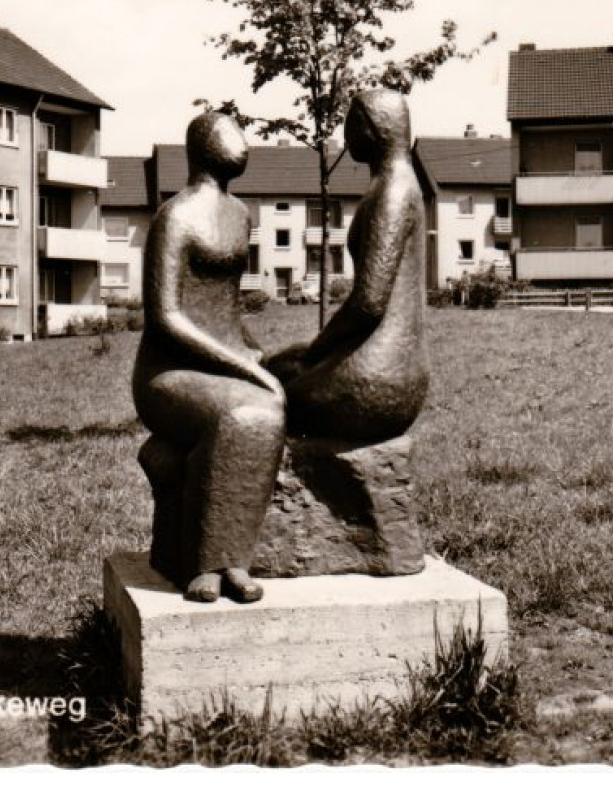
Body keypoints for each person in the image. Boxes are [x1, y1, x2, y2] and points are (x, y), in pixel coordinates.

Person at [132, 112, 287, 604]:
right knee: (247, 414)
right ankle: (207, 564)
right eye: (229, 131)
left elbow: (227, 305)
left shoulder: (240, 214)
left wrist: (255, 351)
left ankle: (234, 560)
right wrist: (244, 367)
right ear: (202, 145)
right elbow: (166, 317)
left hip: (224, 361)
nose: (241, 142)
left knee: (280, 400)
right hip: (172, 373)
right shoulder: (174, 216)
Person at [265, 88, 429, 441]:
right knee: (276, 365)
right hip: (392, 369)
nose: (344, 136)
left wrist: (317, 349)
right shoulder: (397, 184)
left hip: (379, 378)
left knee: (261, 398)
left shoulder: (392, 191)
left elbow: (369, 303)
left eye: (348, 125)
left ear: (367, 127)